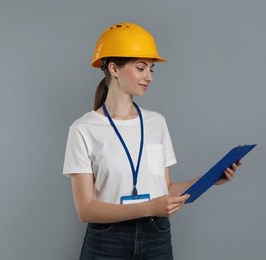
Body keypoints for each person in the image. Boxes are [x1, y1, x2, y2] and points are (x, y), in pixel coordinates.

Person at [63, 22, 241, 259]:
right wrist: (148, 208)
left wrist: (210, 180)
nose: (149, 77)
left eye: (151, 69)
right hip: (108, 241)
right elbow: (85, 209)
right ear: (114, 69)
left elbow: (165, 189)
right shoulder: (83, 129)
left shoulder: (156, 122)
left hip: (156, 235)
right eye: (141, 68)